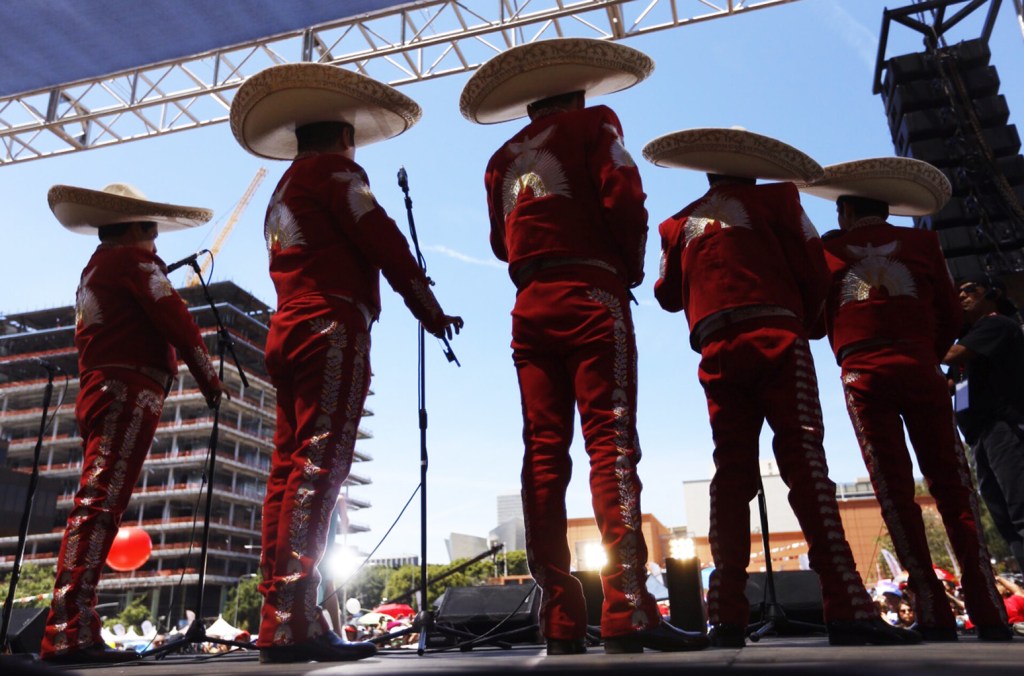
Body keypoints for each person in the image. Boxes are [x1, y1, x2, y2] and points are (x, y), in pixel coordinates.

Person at [460, 38, 707, 655]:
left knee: (543, 454)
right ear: (577, 91)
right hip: (591, 293)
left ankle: (560, 619)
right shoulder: (597, 124)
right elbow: (625, 195)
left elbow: (498, 243)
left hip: (529, 303)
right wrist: (624, 268)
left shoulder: (500, 156)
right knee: (611, 442)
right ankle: (628, 608)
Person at [647, 128, 920, 648]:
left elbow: (666, 295)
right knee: (804, 462)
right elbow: (814, 268)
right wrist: (811, 323)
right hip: (775, 335)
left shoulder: (677, 223)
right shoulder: (778, 198)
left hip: (716, 348)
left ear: (707, 172)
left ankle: (725, 615)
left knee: (730, 473)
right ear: (751, 168)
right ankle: (846, 605)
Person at [229, 63, 463, 663]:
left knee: (288, 473)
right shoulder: (338, 172)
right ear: (343, 137)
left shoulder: (283, 190)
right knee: (320, 469)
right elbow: (380, 235)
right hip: (331, 326)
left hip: (288, 328)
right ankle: (297, 621)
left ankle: (279, 615)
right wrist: (428, 308)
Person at [799, 157, 1011, 641]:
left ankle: (931, 608)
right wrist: (923, 349)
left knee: (894, 491)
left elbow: (813, 324)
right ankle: (987, 606)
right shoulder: (922, 242)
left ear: (847, 214)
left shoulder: (829, 250)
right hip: (920, 367)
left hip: (862, 376)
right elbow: (949, 315)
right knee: (955, 487)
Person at [40, 183, 230, 664]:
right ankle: (69, 630)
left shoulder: (96, 269)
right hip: (127, 390)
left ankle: (71, 625)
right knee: (101, 505)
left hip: (103, 388)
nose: (156, 243)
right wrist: (209, 378)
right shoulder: (132, 263)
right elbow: (175, 316)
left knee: (97, 502)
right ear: (133, 230)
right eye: (151, 231)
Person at [944, 275, 1024, 576]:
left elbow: (949, 355)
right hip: (979, 437)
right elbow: (950, 383)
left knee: (1020, 511)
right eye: (959, 292)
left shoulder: (996, 324)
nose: (962, 297)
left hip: (1003, 428)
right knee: (1005, 520)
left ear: (993, 293)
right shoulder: (970, 340)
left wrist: (918, 335)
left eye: (970, 291)